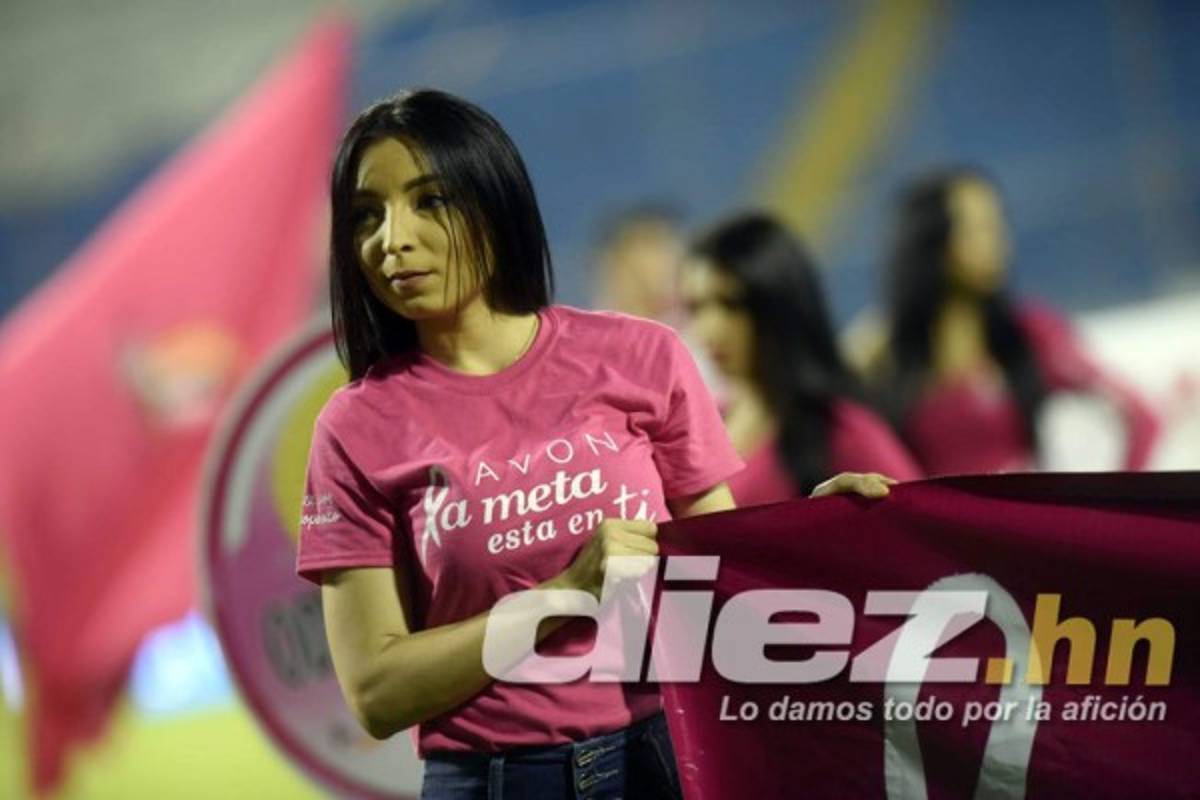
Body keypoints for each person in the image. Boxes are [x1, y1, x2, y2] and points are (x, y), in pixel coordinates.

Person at [294, 89, 893, 799]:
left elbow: (722, 581)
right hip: (493, 782)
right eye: (367, 215)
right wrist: (564, 595)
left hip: (669, 756)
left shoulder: (642, 356)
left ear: (495, 202)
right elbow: (376, 692)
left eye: (430, 201)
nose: (391, 239)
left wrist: (812, 532)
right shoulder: (354, 428)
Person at [873, 166, 1159, 476]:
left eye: (998, 224)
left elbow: (1142, 416)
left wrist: (1111, 500)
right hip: (931, 508)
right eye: (978, 228)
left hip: (1019, 506)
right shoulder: (885, 354)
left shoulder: (1030, 335)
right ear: (931, 240)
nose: (998, 241)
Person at [680, 211, 920, 507]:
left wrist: (823, 524)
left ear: (777, 302)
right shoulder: (696, 427)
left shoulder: (842, 431)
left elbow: (921, 520)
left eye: (731, 304)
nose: (708, 329)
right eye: (695, 308)